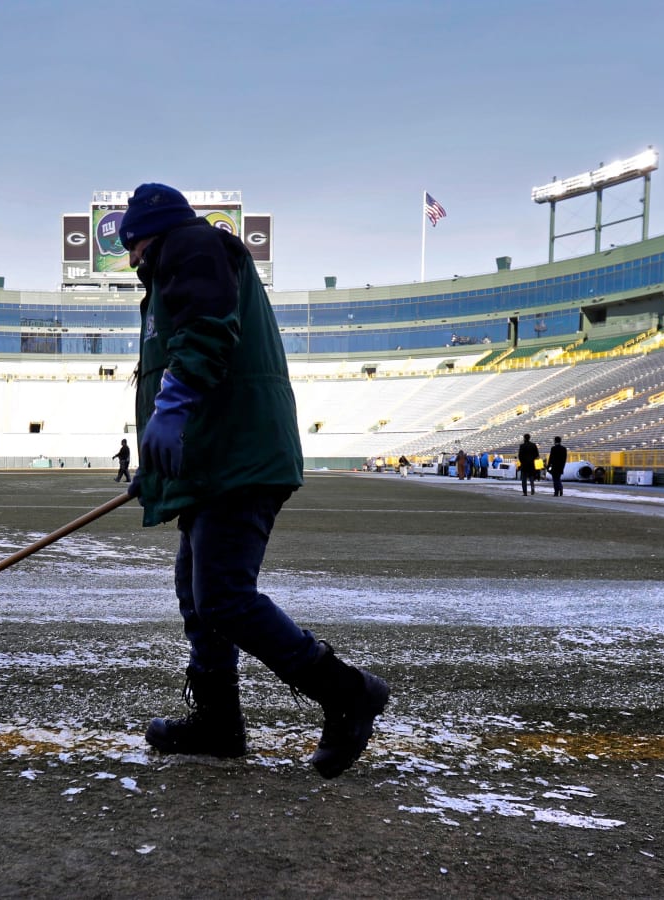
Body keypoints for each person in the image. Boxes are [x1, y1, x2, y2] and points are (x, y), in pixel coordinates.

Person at [120, 182, 389, 779]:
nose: (134, 264)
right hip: (218, 458)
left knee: (222, 594)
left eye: (133, 250)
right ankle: (219, 722)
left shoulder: (189, 245)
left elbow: (207, 331)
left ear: (145, 234)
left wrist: (172, 407)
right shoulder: (187, 253)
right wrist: (157, 471)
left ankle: (347, 692)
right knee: (198, 593)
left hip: (238, 458)